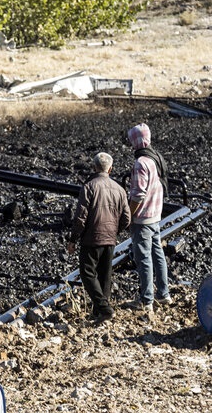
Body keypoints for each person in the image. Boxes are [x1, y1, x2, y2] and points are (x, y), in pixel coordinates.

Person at [68, 152, 131, 324]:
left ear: (94, 167)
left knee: (87, 272)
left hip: (91, 238)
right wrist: (115, 231)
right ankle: (100, 313)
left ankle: (104, 309)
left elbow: (80, 217)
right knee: (105, 275)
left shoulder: (88, 187)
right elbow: (127, 218)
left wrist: (73, 239)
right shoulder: (120, 189)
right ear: (110, 168)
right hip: (110, 238)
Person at [126, 123, 171, 313]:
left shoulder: (140, 163)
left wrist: (128, 214)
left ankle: (146, 300)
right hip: (155, 214)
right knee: (157, 253)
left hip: (143, 218)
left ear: (135, 141)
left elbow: (137, 194)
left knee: (143, 258)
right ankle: (163, 294)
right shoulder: (156, 158)